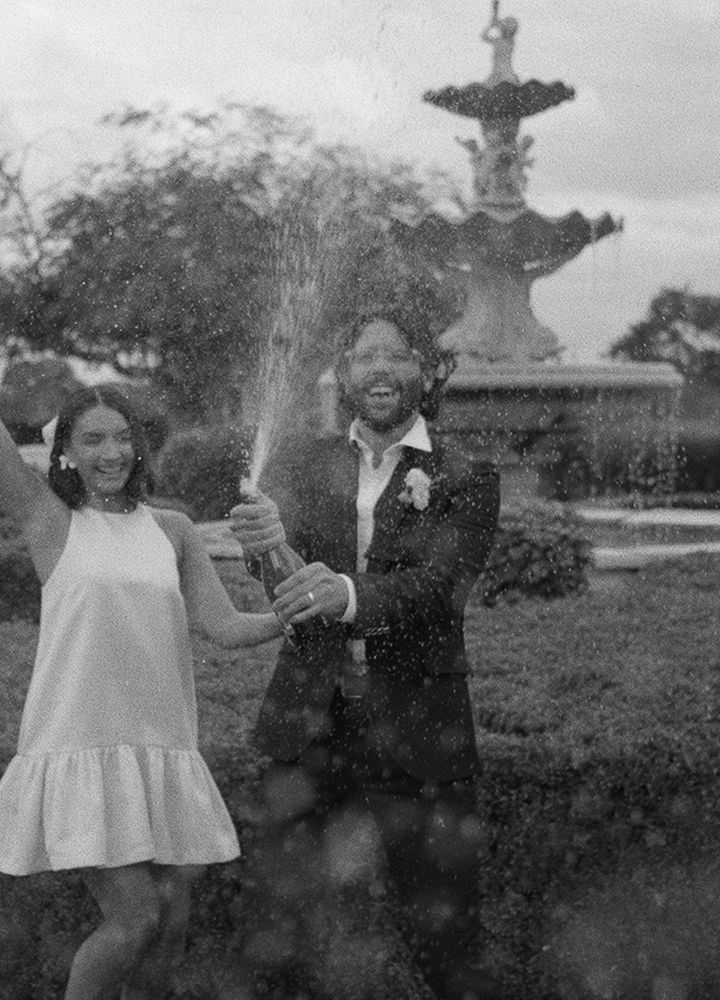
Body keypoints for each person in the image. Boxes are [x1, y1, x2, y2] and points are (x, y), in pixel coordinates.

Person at [0, 326, 284, 1000]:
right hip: (81, 748)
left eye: (122, 437)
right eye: (92, 440)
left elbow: (222, 626)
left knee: (171, 927)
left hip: (160, 748)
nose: (111, 452)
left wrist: (296, 615)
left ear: (139, 446)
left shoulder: (174, 529)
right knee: (133, 921)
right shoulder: (50, 522)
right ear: (64, 453)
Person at [228, 306, 503, 999]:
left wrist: (347, 594)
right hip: (309, 730)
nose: (378, 368)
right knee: (277, 927)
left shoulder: (466, 474)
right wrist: (267, 548)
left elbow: (443, 587)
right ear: (345, 374)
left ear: (426, 370)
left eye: (397, 354)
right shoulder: (302, 461)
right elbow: (289, 588)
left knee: (446, 939)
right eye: (363, 356)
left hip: (418, 732)